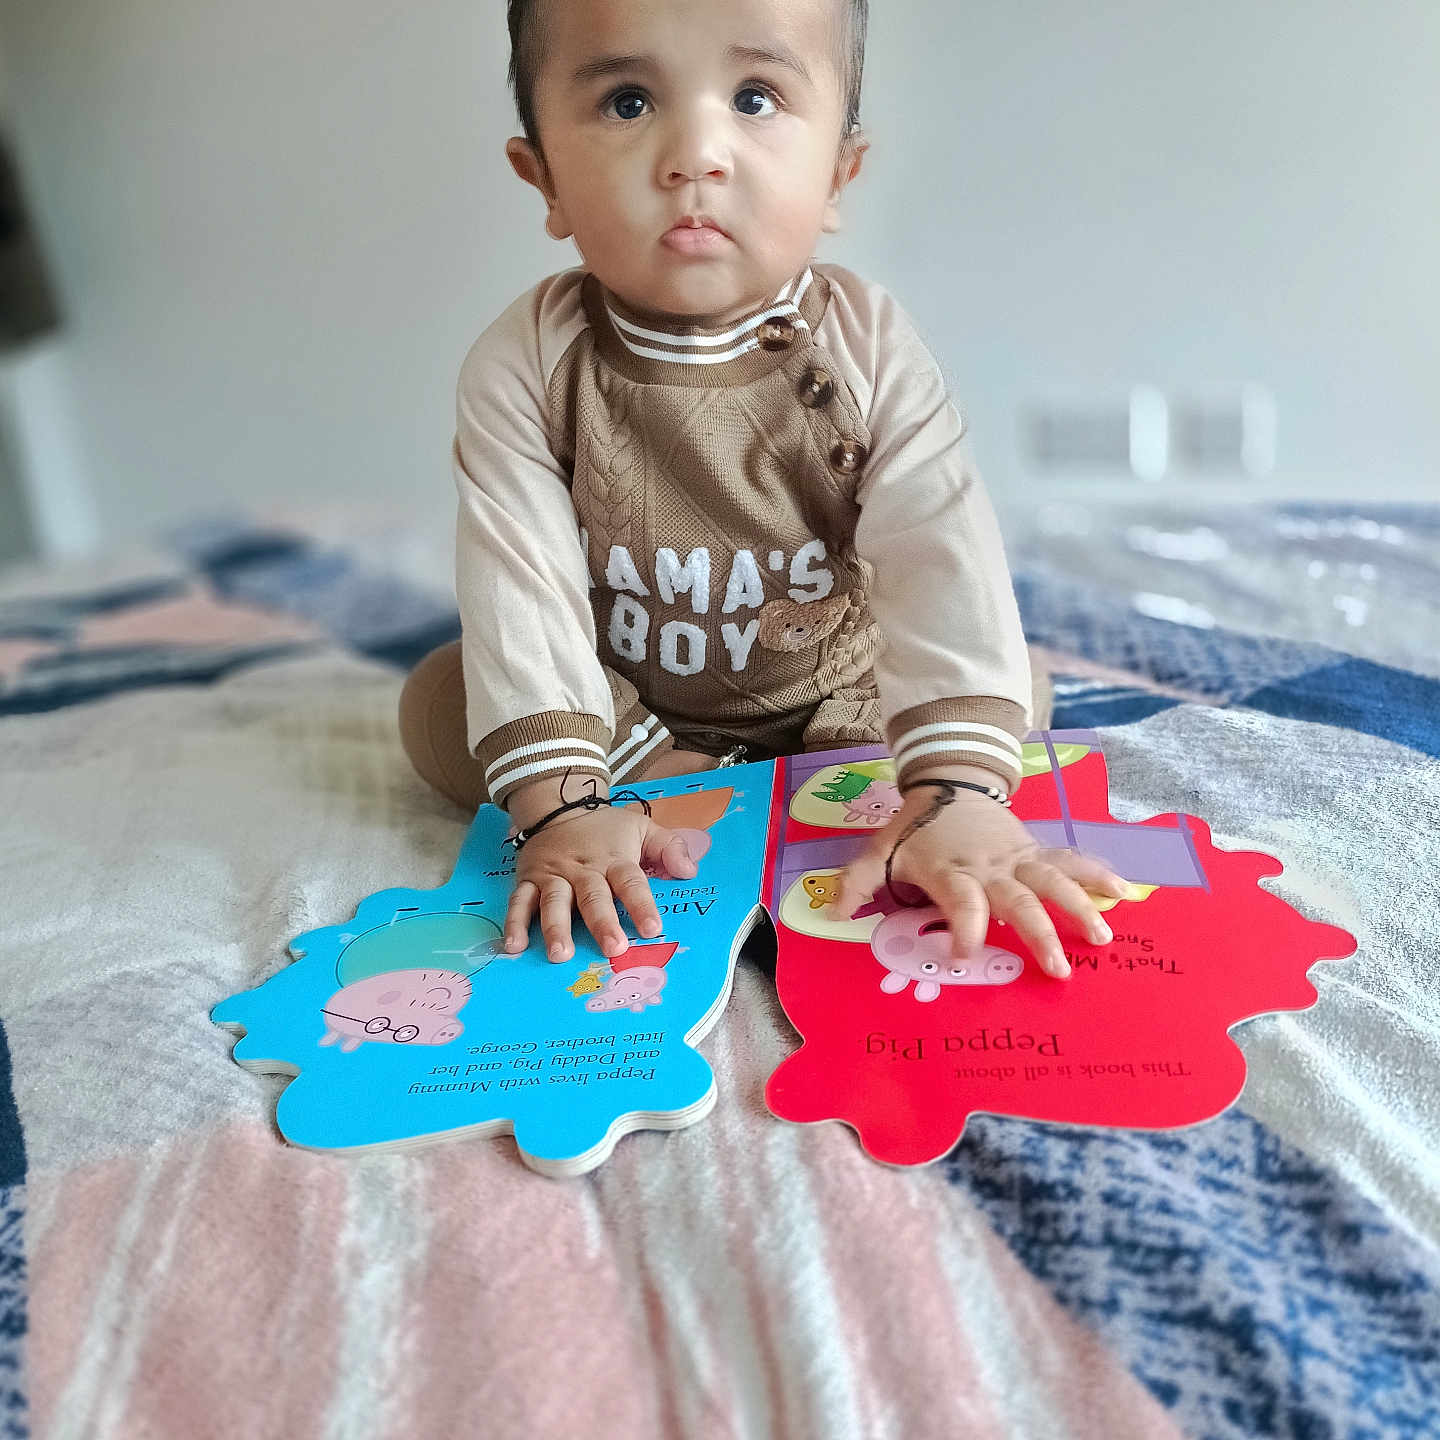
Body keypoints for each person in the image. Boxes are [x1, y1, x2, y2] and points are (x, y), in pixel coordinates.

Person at [400, 0, 1126, 981]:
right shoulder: (527, 361)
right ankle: (656, 775)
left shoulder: (867, 344)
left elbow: (936, 549)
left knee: (1009, 685)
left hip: (837, 692)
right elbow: (517, 579)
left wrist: (958, 789)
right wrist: (565, 809)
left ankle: (866, 775)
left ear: (838, 173)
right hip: (628, 707)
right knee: (442, 704)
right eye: (626, 101)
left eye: (754, 97)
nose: (696, 155)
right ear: (545, 180)